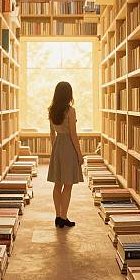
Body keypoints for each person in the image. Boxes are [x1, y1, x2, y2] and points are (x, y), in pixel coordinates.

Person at [47, 81, 84, 228]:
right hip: (68, 147)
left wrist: (55, 150)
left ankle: (57, 217)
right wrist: (80, 155)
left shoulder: (51, 110)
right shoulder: (70, 111)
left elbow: (51, 134)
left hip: (57, 147)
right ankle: (64, 217)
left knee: (57, 183)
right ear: (68, 94)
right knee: (68, 184)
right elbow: (73, 135)